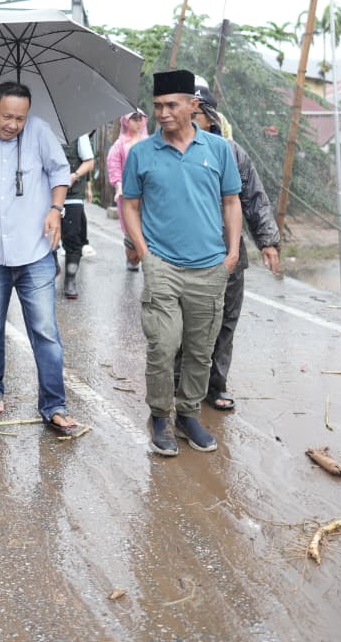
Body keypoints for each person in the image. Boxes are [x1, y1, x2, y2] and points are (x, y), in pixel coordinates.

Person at [121, 69, 241, 457]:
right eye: (158, 106)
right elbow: (130, 204)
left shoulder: (218, 149)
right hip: (163, 267)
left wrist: (232, 254)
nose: (163, 113)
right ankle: (159, 415)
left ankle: (188, 415)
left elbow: (231, 201)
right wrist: (143, 250)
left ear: (193, 105)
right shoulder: (141, 152)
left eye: (172, 105)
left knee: (200, 349)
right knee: (163, 345)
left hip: (210, 266)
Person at [0, 80, 82, 436]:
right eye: (7, 116)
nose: (14, 124)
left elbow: (59, 173)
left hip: (35, 250)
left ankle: (54, 405)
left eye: (20, 118)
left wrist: (56, 209)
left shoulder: (39, 132)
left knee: (45, 330)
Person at [184, 84, 280, 412]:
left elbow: (253, 198)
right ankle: (182, 381)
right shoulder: (171, 150)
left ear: (209, 117)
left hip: (229, 253)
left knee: (226, 321)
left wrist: (267, 241)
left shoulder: (232, 152)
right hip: (186, 253)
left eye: (193, 112)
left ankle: (215, 384)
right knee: (187, 319)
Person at [106, 109, 148, 272]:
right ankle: (132, 254)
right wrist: (119, 186)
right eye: (133, 118)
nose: (137, 122)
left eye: (140, 118)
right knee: (130, 226)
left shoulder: (150, 143)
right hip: (128, 194)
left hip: (148, 194)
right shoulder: (120, 145)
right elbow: (114, 167)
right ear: (125, 121)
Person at [60, 133, 95, 299]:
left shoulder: (78, 134)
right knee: (44, 234)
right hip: (45, 193)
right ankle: (50, 266)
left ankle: (70, 279)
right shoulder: (39, 131)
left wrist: (74, 176)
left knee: (73, 237)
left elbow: (89, 161)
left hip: (72, 194)